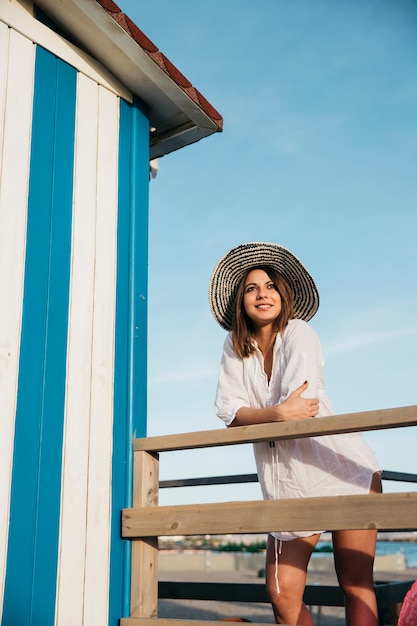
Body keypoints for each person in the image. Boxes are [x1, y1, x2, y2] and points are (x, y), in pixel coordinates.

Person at [209, 242, 382, 626]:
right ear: (241, 301)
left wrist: (267, 415)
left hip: (343, 470)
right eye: (251, 288)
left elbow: (300, 407)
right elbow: (229, 411)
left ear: (284, 295)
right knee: (282, 592)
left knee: (354, 584)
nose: (262, 293)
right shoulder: (235, 347)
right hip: (287, 483)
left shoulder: (300, 332)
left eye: (270, 285)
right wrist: (274, 413)